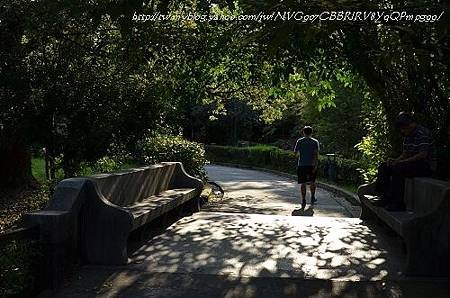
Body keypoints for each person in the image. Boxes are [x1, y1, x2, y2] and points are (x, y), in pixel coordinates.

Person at [373, 112, 436, 211]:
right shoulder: (407, 134)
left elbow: (422, 155)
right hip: (410, 163)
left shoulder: (422, 133)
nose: (402, 131)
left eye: (403, 128)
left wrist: (401, 162)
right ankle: (385, 197)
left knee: (399, 169)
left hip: (425, 165)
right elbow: (405, 153)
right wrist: (395, 160)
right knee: (384, 166)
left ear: (409, 125)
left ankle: (398, 203)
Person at [294, 126, 320, 209]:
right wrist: (315, 165)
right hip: (312, 164)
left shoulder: (300, 141)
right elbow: (316, 154)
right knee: (312, 181)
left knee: (303, 183)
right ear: (311, 132)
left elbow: (295, 153)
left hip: (301, 164)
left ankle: (304, 199)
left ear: (303, 132)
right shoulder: (315, 142)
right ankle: (312, 197)